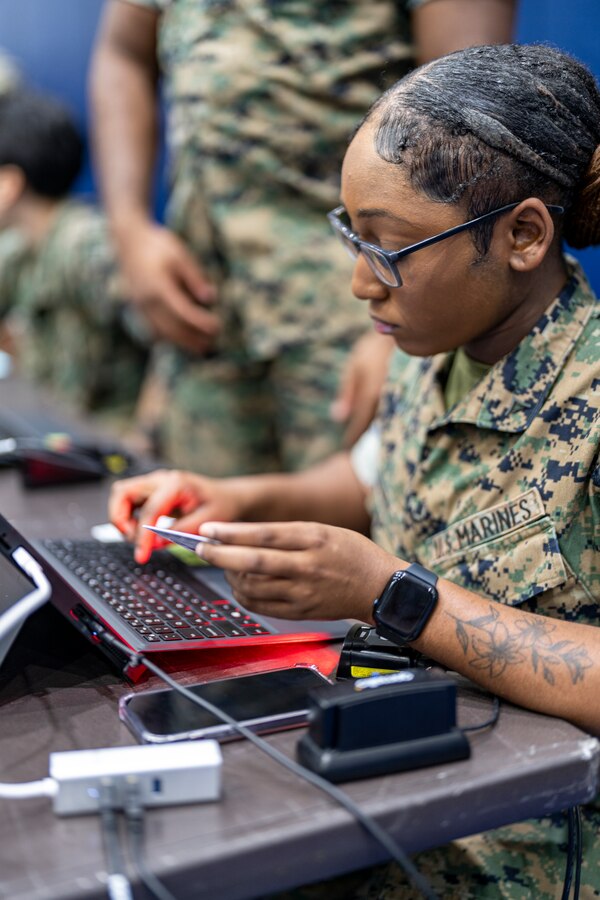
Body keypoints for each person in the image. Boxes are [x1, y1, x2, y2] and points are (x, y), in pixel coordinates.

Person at [109, 43, 600, 896]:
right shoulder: (434, 342)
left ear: (523, 235)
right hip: (386, 811)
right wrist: (236, 498)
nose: (358, 284)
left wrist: (395, 595)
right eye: (353, 235)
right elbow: (378, 478)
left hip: (518, 856)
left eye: (389, 246)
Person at [89, 0, 516, 476]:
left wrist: (401, 332)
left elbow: (476, 109)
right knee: (197, 530)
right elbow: (124, 52)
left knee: (352, 528)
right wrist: (128, 227)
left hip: (354, 314)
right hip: (204, 308)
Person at [0, 88, 149, 427]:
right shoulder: (19, 251)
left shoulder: (88, 245)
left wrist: (145, 436)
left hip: (111, 443)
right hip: (61, 437)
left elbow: (170, 346)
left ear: (8, 185)